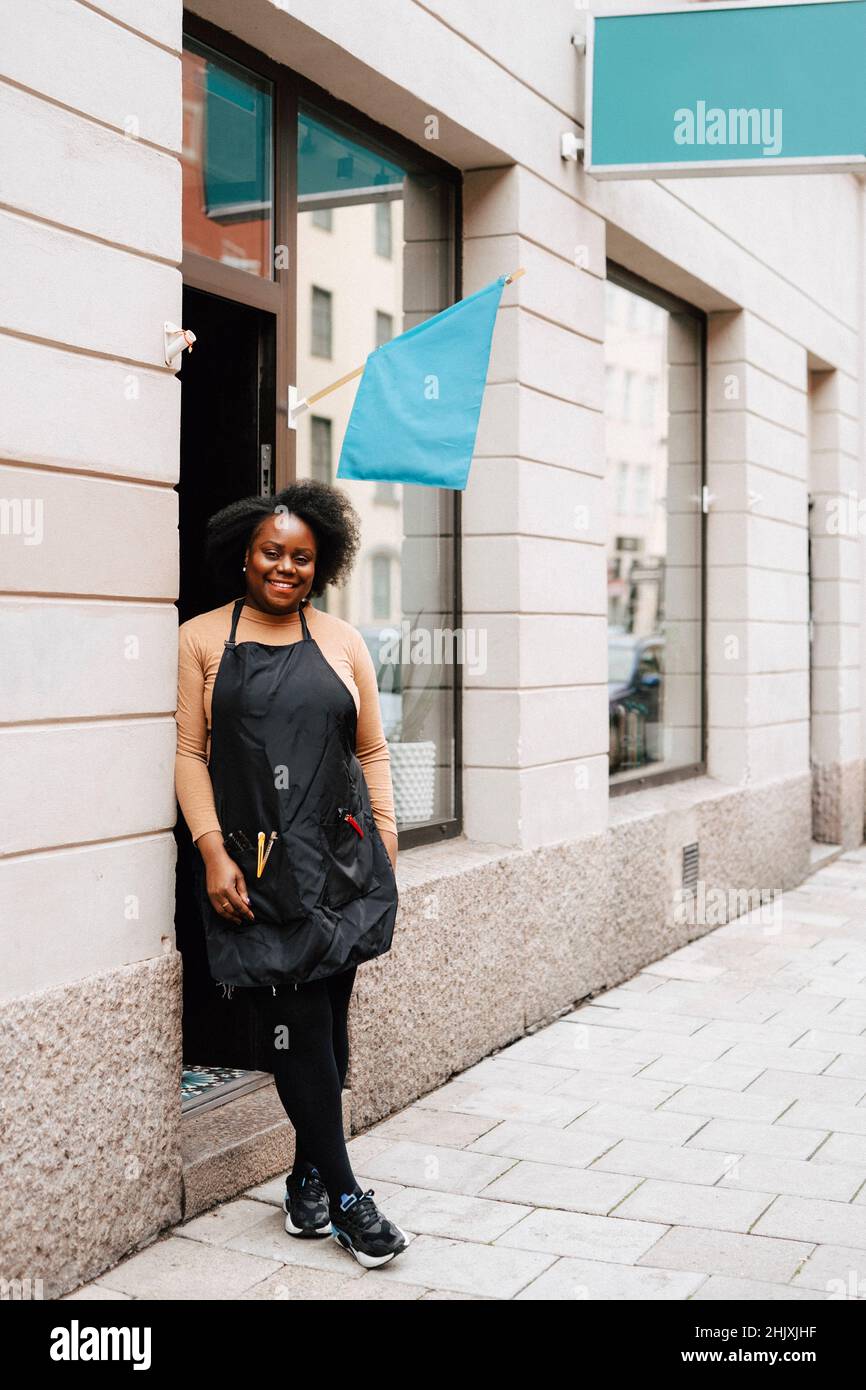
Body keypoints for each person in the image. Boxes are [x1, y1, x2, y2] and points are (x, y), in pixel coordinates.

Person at [174, 479, 408, 1268]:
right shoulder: (202, 639)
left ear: (322, 564)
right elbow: (189, 754)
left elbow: (370, 749)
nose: (286, 568)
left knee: (330, 1025)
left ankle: (306, 1174)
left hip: (341, 858)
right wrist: (211, 849)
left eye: (302, 558)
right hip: (260, 865)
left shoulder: (342, 641)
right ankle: (346, 1197)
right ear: (245, 554)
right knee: (300, 1021)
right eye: (272, 552)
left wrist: (387, 836)